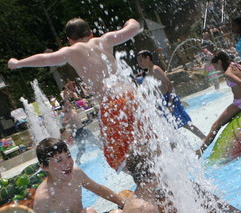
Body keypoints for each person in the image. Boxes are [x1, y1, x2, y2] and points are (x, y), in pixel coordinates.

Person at [8, 18, 147, 172]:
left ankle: (143, 183)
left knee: (118, 157)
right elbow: (133, 28)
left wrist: (18, 63)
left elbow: (45, 59)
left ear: (69, 40)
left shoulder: (71, 51)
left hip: (111, 105)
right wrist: (130, 21)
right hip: (130, 97)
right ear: (91, 33)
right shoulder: (104, 40)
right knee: (145, 141)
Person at [197, 51, 241, 155]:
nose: (215, 68)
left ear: (220, 62)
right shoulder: (237, 65)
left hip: (240, 102)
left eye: (215, 65)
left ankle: (200, 151)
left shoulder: (228, 73)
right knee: (221, 122)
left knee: (215, 125)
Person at [136, 50, 206, 141]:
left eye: (141, 59)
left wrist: (170, 102)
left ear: (148, 58)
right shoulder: (147, 73)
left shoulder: (155, 69)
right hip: (161, 103)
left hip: (168, 99)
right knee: (169, 129)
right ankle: (176, 150)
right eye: (138, 60)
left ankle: (205, 138)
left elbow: (169, 84)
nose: (139, 63)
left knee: (186, 124)